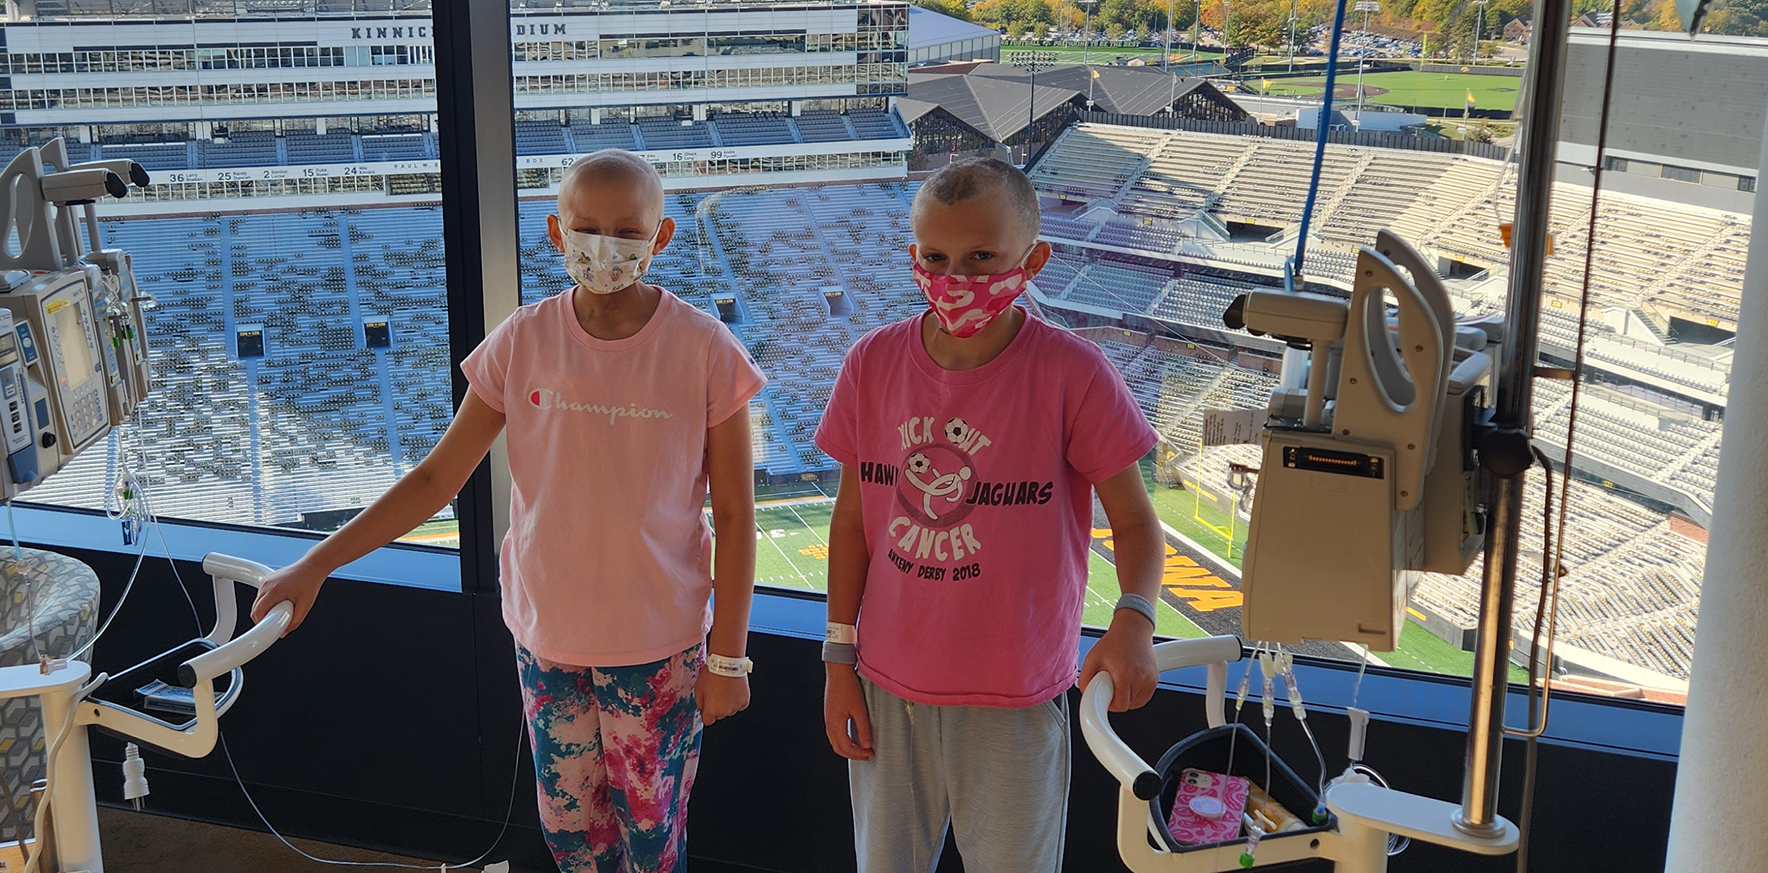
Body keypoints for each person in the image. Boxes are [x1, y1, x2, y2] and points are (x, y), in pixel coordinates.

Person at [250, 149, 764, 873]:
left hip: (660, 648)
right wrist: (315, 563)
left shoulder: (706, 349)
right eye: (586, 226)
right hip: (548, 642)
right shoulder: (522, 339)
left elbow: (737, 515)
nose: (604, 245)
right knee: (572, 835)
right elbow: (435, 478)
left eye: (627, 230)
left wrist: (730, 656)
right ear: (556, 232)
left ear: (662, 238)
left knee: (654, 838)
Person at [813, 157, 1167, 872]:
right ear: (913, 257)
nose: (958, 276)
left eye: (983, 257)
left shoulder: (1073, 372)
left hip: (1015, 698)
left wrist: (1135, 617)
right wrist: (837, 659)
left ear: (1032, 258)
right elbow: (851, 524)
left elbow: (1134, 521)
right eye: (938, 257)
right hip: (885, 688)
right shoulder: (870, 364)